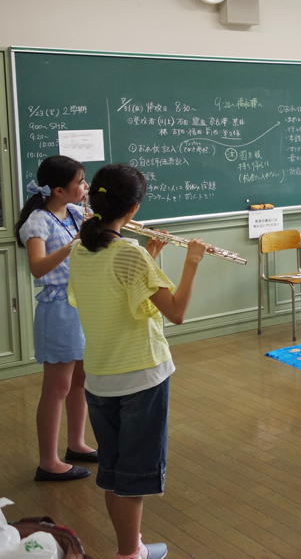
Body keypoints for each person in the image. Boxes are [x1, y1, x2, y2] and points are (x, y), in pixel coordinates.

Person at [68, 163, 207, 559]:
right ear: (134, 208)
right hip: (141, 378)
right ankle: (130, 554)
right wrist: (193, 261)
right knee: (135, 476)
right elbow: (176, 312)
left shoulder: (80, 249)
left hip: (99, 376)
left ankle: (133, 546)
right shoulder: (129, 253)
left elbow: (118, 291)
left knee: (113, 471)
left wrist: (150, 255)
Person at [15, 155, 97, 482]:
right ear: (59, 191)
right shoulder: (38, 221)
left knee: (80, 380)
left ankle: (76, 444)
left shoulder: (76, 213)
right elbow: (37, 268)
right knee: (56, 387)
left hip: (82, 303)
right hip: (58, 308)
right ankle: (48, 461)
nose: (86, 186)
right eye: (80, 181)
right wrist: (72, 246)